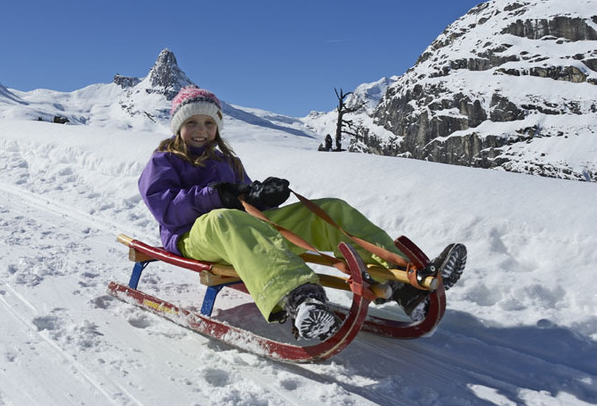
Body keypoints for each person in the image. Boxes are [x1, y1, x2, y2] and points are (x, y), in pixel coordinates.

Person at [137, 86, 467, 341]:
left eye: (209, 123)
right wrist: (217, 195)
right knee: (226, 217)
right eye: (192, 122)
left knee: (330, 209)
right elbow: (165, 208)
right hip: (191, 237)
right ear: (178, 125)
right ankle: (301, 301)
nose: (201, 130)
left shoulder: (227, 162)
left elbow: (247, 202)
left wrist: (263, 196)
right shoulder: (163, 161)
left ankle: (406, 282)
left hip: (238, 229)